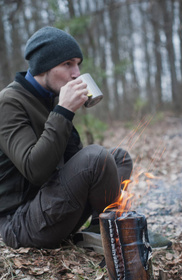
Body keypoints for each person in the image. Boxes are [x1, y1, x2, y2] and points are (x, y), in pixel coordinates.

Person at [0, 26, 133, 249]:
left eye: (77, 64)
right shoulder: (9, 102)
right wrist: (63, 111)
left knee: (119, 158)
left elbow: (72, 161)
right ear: (43, 66)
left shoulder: (50, 98)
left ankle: (98, 230)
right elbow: (35, 170)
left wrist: (64, 113)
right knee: (96, 157)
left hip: (50, 210)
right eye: (67, 64)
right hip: (21, 224)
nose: (76, 73)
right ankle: (115, 236)